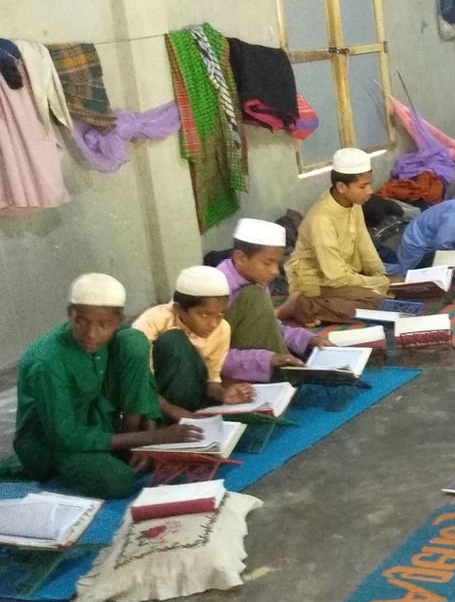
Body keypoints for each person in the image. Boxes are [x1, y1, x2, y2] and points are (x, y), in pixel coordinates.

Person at [12, 274, 202, 499]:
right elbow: (63, 435)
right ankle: (86, 460)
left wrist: (148, 436)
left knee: (135, 342)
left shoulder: (116, 338)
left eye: (104, 324)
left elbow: (142, 381)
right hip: (50, 441)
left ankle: (127, 440)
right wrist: (153, 438)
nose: (91, 334)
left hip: (99, 420)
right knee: (118, 482)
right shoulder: (46, 361)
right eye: (80, 321)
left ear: (118, 320)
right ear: (69, 313)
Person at [132, 266, 255, 422]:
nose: (213, 323)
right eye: (204, 314)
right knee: (174, 340)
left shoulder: (222, 329)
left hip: (192, 402)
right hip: (154, 403)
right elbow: (140, 383)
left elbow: (211, 380)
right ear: (178, 309)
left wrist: (223, 394)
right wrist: (175, 412)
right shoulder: (151, 323)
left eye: (221, 313)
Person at [284, 148, 390, 323]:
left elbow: (365, 245)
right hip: (317, 284)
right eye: (363, 186)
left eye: (369, 184)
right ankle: (303, 306)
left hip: (343, 278)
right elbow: (335, 277)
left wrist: (380, 275)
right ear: (341, 187)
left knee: (385, 292)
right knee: (375, 302)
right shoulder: (322, 219)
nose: (370, 191)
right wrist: (379, 283)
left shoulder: (353, 203)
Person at [217, 218, 322, 382]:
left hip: (250, 357)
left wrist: (308, 339)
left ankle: (289, 374)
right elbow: (210, 355)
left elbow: (271, 327)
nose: (274, 271)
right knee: (254, 295)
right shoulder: (217, 289)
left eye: (277, 263)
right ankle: (287, 379)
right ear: (240, 257)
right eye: (267, 263)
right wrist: (268, 360)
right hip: (220, 369)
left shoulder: (256, 280)